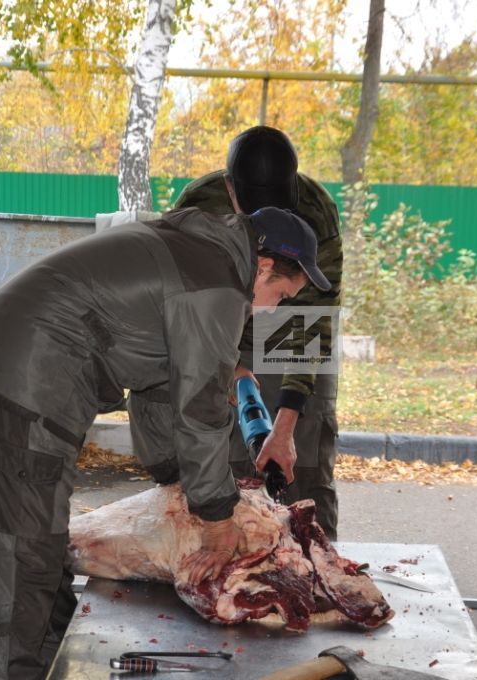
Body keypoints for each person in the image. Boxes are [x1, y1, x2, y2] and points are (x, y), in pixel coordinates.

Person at [0, 206, 329, 680]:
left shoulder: (202, 252)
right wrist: (215, 515)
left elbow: (161, 388)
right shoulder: (219, 284)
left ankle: (48, 664)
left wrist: (175, 476)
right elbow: (200, 410)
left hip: (16, 361)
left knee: (38, 544)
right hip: (23, 376)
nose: (271, 310)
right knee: (19, 561)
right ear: (264, 265)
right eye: (280, 294)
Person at [175, 126, 344, 539]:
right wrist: (230, 363)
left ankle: (315, 571)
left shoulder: (316, 209)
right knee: (227, 464)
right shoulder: (199, 206)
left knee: (300, 468)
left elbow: (313, 318)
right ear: (230, 189)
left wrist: (285, 425)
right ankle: (231, 573)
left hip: (289, 323)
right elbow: (182, 305)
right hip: (221, 327)